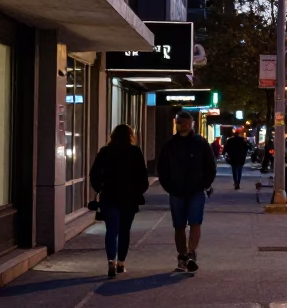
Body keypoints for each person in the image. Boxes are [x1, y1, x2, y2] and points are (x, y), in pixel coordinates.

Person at [158, 112, 216, 273]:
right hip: (176, 191)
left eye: (188, 124)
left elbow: (210, 165)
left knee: (195, 222)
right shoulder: (170, 145)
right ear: (176, 124)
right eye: (183, 124)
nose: (186, 126)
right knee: (179, 226)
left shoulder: (200, 143)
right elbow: (162, 168)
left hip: (196, 190)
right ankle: (182, 256)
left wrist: (205, 184)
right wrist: (169, 186)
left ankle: (190, 253)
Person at [89, 124, 150, 278]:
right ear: (131, 136)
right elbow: (142, 174)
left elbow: (95, 172)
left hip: (109, 195)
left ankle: (111, 260)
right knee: (124, 230)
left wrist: (99, 188)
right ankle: (121, 262)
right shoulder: (135, 151)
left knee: (111, 230)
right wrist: (140, 190)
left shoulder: (105, 151)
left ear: (113, 136)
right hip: (129, 196)